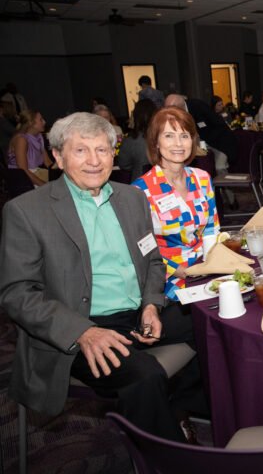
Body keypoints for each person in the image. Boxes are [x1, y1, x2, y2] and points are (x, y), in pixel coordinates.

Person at [0, 112, 206, 442]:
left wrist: (152, 305)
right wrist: (82, 332)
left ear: (114, 154)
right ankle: (166, 456)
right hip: (78, 326)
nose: (94, 161)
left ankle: (182, 409)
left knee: (212, 322)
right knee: (144, 376)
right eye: (81, 150)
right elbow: (16, 293)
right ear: (57, 157)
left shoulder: (132, 199)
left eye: (103, 150)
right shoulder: (27, 211)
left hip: (137, 314)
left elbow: (153, 261)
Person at [133, 107, 220, 301]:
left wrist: (213, 264)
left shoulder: (202, 179)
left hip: (206, 266)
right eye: (169, 136)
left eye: (185, 135)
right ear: (156, 142)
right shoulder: (141, 191)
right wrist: (177, 270)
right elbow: (142, 246)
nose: (178, 144)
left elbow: (212, 229)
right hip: (168, 277)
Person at [7, 109, 53, 187]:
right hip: (22, 179)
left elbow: (47, 162)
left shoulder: (39, 136)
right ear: (31, 124)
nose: (44, 122)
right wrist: (44, 185)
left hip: (35, 173)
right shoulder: (21, 140)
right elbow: (23, 171)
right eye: (41, 120)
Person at [118, 98, 154, 182]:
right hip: (164, 183)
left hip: (140, 184)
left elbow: (124, 165)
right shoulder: (163, 137)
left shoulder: (130, 141)